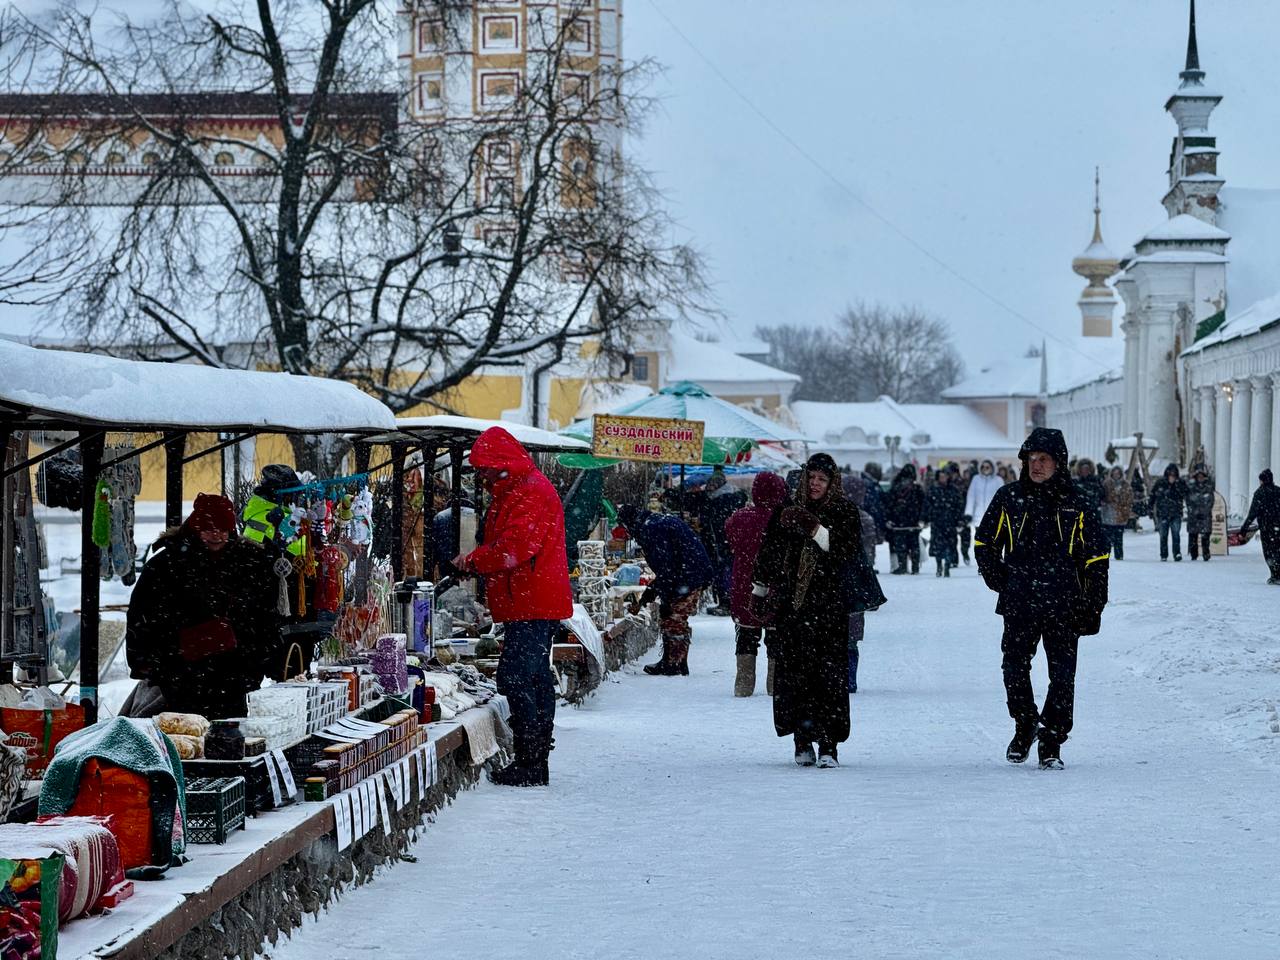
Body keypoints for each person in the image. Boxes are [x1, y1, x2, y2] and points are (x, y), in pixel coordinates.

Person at [974, 428, 1109, 770]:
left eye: (1043, 459)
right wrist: (998, 577)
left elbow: (1096, 556)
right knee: (1014, 667)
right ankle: (1025, 724)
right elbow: (984, 542)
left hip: (1065, 601)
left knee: (1062, 676)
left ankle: (1052, 739)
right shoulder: (1009, 498)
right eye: (1031, 459)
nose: (1036, 465)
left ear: (1058, 462)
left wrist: (1094, 602)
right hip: (1020, 599)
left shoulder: (1077, 503)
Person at [455, 427, 572, 787]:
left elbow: (516, 547)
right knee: (532, 679)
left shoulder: (529, 492)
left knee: (518, 678)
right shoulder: (516, 490)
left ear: (501, 463)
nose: (483, 475)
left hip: (533, 602)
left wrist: (473, 562)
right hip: (529, 601)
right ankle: (534, 758)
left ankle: (532, 761)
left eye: (486, 468)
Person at [125, 493, 280, 719]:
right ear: (196, 527)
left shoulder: (251, 563)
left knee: (229, 737)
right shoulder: (166, 565)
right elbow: (141, 615)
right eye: (208, 528)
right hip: (181, 676)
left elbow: (265, 617)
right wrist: (148, 662)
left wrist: (260, 660)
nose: (216, 535)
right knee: (187, 736)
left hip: (235, 676)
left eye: (222, 528)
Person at [752, 453, 862, 768]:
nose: (815, 484)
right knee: (795, 676)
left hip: (829, 608)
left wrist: (815, 529)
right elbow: (769, 552)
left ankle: (829, 744)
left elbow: (846, 550)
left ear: (832, 483)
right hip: (793, 609)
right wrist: (759, 591)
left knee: (828, 677)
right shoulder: (785, 511)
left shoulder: (843, 511)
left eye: (822, 479)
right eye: (811, 477)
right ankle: (802, 740)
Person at [618, 504, 714, 676]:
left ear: (628, 524)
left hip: (689, 575)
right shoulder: (653, 523)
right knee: (674, 616)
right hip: (691, 571)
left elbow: (666, 569)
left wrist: (664, 597)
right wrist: (652, 594)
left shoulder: (651, 530)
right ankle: (677, 661)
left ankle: (673, 664)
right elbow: (667, 568)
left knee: (673, 618)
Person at [724, 472, 789, 697]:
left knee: (746, 635)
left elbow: (731, 540)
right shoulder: (784, 519)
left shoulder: (740, 517)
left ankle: (743, 684)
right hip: (775, 585)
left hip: (745, 585)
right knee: (775, 637)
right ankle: (775, 684)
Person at [841, 474, 880, 694]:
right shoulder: (865, 517)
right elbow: (870, 551)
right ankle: (850, 678)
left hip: (838, 580)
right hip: (856, 581)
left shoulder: (834, 516)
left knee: (837, 634)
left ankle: (841, 676)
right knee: (851, 636)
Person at [700, 467, 748, 615]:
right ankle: (728, 601)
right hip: (727, 543)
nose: (709, 486)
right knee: (727, 571)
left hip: (723, 543)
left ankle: (726, 602)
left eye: (712, 483)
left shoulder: (721, 500)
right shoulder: (730, 497)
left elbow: (719, 524)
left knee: (725, 572)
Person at [241, 464, 305, 559]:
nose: (295, 500)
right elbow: (304, 550)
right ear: (282, 496)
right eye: (294, 495)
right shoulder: (278, 517)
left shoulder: (257, 513)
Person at [1240, 469, 1280, 584]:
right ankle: (1277, 574)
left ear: (1262, 480)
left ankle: (1275, 575)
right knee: (1277, 550)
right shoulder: (1278, 491)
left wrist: (1244, 530)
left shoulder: (1260, 493)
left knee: (1269, 552)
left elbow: (1252, 513)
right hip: (1278, 527)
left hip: (1267, 528)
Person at [924, 467, 963, 578]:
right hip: (937, 522)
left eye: (945, 476)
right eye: (941, 476)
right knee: (938, 546)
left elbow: (959, 506)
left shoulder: (953, 490)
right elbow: (927, 505)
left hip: (950, 522)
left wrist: (959, 520)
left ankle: (947, 566)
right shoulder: (933, 490)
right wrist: (926, 517)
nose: (943, 478)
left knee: (949, 546)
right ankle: (939, 566)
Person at [886, 464, 924, 575]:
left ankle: (902, 567)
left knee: (901, 546)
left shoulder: (896, 486)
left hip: (899, 522)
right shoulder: (917, 488)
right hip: (914, 521)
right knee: (914, 545)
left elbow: (890, 504)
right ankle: (915, 567)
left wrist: (890, 518)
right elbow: (923, 504)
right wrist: (921, 518)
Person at [963, 460, 1002, 565]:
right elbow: (971, 497)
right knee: (980, 542)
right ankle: (982, 563)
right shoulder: (976, 479)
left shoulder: (998, 480)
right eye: (983, 467)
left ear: (992, 468)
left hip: (993, 517)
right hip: (978, 517)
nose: (985, 469)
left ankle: (992, 562)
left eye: (988, 467)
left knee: (992, 541)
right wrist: (968, 513)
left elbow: (1002, 499)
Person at [1150, 464, 1189, 561]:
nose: (1172, 477)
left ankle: (1177, 553)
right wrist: (1150, 509)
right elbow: (1152, 496)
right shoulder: (1160, 483)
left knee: (1176, 534)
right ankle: (1164, 554)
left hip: (1175, 513)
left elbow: (1187, 494)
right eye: (1170, 475)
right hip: (1163, 513)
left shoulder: (1180, 483)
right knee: (1163, 535)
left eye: (1173, 475)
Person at [1100, 465, 1133, 560]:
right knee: (1108, 537)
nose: (1116, 475)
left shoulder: (1126, 485)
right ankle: (1106, 555)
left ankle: (1119, 555)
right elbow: (1102, 495)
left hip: (1120, 514)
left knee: (1119, 537)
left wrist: (1124, 506)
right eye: (1114, 473)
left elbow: (1129, 497)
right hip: (1108, 513)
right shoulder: (1106, 484)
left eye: (1118, 473)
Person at [1185, 466, 1215, 562]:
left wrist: (1205, 511)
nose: (1200, 478)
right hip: (1194, 516)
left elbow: (1211, 501)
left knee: (1205, 536)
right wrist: (1193, 511)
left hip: (1205, 516)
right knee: (1193, 536)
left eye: (1202, 476)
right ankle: (1194, 554)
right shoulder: (1191, 488)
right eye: (1199, 476)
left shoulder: (1208, 487)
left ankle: (1206, 553)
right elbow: (1188, 500)